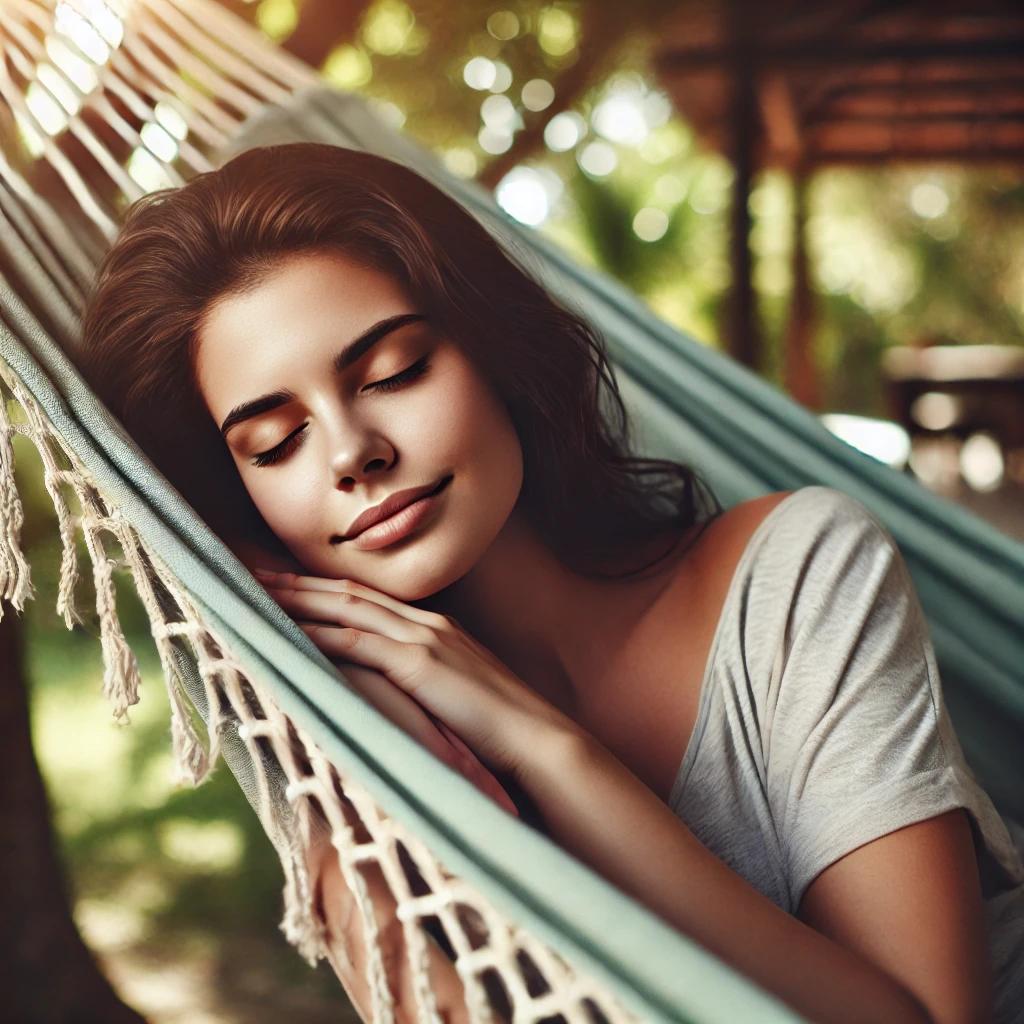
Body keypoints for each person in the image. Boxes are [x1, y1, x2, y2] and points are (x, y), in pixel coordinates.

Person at [75, 142, 1022, 1024]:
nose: (352, 454)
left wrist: (546, 750)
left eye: (395, 372)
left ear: (497, 354)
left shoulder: (798, 574)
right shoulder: (360, 778)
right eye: (274, 443)